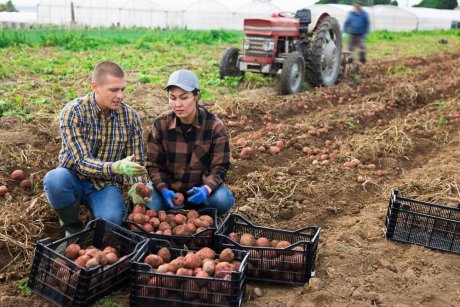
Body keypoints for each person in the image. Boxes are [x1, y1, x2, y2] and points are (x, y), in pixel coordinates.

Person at [43, 61, 148, 236]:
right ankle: (72, 228)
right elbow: (82, 162)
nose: (120, 95)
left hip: (106, 184)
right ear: (95, 87)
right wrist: (115, 167)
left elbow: (136, 161)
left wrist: (138, 191)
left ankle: (97, 217)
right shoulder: (73, 112)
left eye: (122, 89)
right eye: (114, 90)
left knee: (112, 220)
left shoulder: (130, 117)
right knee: (55, 179)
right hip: (74, 178)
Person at [145, 69, 234, 216]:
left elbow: (220, 166)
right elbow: (154, 165)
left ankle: (196, 209)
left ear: (196, 95)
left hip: (200, 189)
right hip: (169, 189)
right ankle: (179, 209)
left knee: (222, 200)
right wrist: (164, 189)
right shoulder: (160, 124)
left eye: (184, 97)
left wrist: (206, 189)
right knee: (148, 200)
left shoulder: (213, 126)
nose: (178, 104)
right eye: (172, 98)